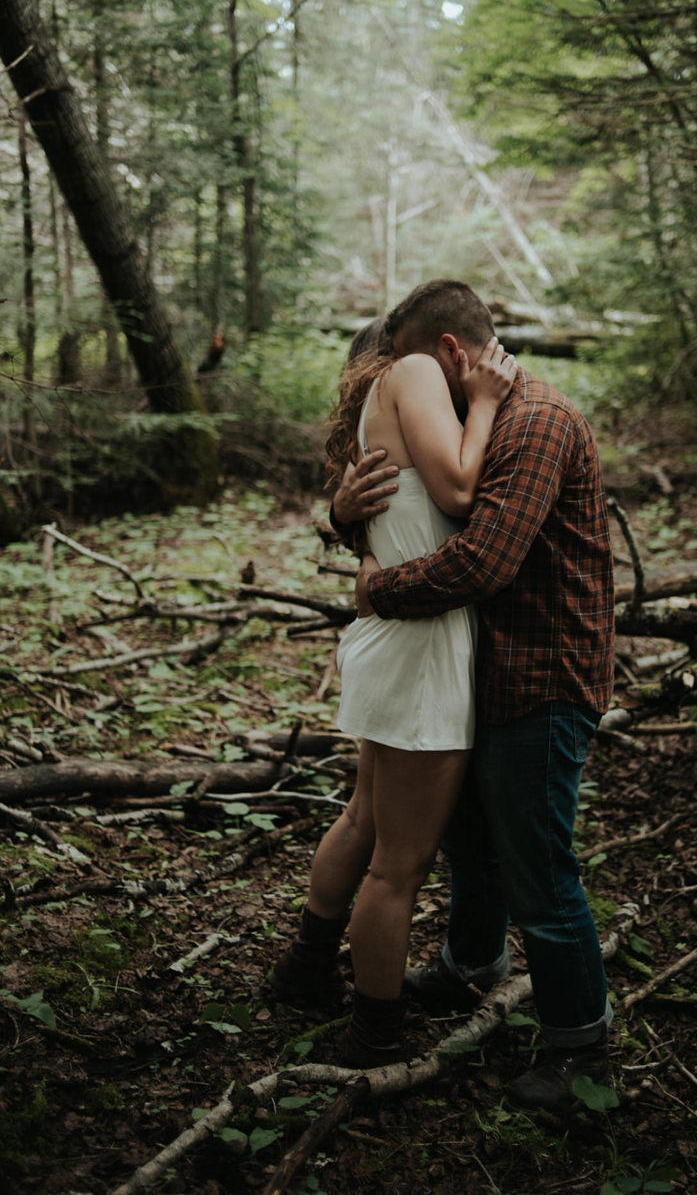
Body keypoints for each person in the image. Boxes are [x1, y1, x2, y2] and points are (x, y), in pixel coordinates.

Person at [331, 279, 617, 1111]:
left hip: (544, 679)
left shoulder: (536, 422)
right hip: (479, 674)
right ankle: (470, 965)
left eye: (419, 372)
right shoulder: (480, 419)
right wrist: (344, 512)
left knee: (539, 868)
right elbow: (413, 501)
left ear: (451, 355)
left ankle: (581, 1050)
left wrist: (377, 589)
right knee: (472, 841)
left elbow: (481, 558)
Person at [268, 296, 519, 1067]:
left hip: (391, 637)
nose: (473, 366)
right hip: (420, 647)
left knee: (364, 818)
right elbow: (458, 494)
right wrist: (482, 405)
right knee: (398, 863)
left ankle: (305, 967)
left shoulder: (381, 401)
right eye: (467, 359)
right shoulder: (414, 372)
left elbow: (398, 512)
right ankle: (372, 1033)